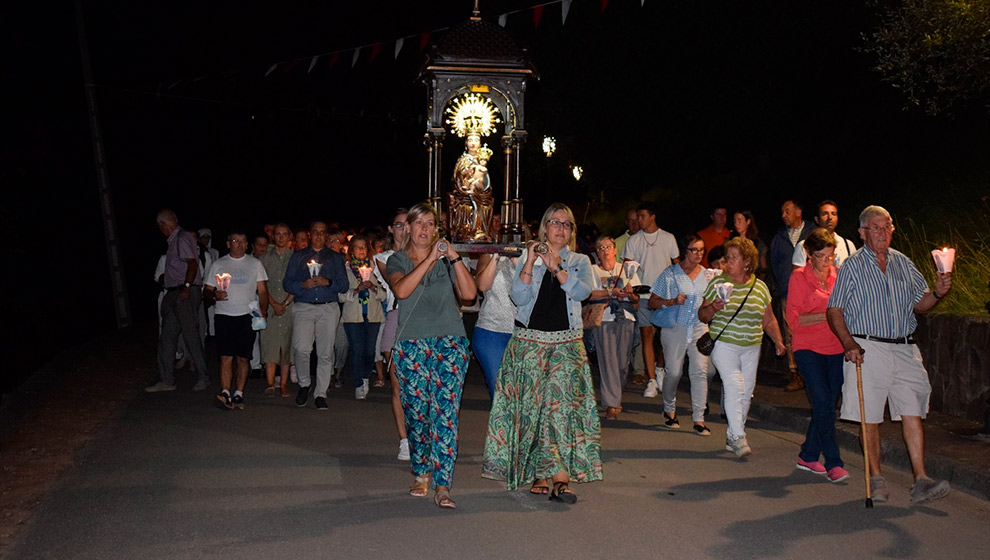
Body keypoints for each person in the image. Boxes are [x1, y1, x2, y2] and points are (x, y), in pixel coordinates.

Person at [826, 205, 953, 504]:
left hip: (905, 347)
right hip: (868, 346)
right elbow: (834, 309)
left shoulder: (903, 263)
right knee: (869, 417)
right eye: (876, 227)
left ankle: (921, 479)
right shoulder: (853, 266)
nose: (883, 232)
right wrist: (848, 343)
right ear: (862, 233)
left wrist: (936, 293)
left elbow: (919, 304)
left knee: (912, 410)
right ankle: (876, 476)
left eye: (887, 226)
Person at [483, 203, 601, 504]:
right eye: (554, 222)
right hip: (529, 344)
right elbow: (517, 297)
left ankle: (560, 478)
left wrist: (557, 268)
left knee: (558, 411)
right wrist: (531, 262)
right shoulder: (529, 256)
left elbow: (582, 294)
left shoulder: (579, 261)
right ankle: (539, 471)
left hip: (565, 346)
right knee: (533, 412)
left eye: (567, 224)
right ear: (544, 228)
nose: (561, 228)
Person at [386, 203, 476, 508]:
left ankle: (442, 484)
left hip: (450, 341)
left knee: (445, 415)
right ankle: (421, 469)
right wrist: (428, 260)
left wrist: (454, 257)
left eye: (430, 224)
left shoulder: (446, 259)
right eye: (419, 223)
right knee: (417, 413)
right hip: (412, 344)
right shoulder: (396, 259)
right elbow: (401, 290)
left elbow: (469, 294)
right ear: (409, 227)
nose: (425, 229)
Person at [698, 237, 786, 457]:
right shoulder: (718, 284)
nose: (729, 262)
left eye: (734, 258)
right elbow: (703, 314)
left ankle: (733, 433)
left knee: (746, 392)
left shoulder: (760, 287)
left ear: (747, 262)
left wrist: (778, 340)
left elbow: (769, 319)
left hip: (751, 346)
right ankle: (738, 436)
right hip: (724, 343)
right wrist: (714, 308)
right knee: (735, 386)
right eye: (728, 258)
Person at [786, 228, 850, 482]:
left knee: (827, 406)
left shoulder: (838, 277)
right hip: (808, 349)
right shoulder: (799, 277)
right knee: (822, 402)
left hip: (836, 348)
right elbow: (795, 319)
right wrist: (830, 315)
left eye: (831, 256)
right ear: (809, 254)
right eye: (822, 256)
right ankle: (834, 462)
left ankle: (808, 454)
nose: (828, 261)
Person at [649, 234, 713, 434]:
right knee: (674, 372)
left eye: (702, 250)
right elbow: (652, 302)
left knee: (700, 372)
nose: (698, 254)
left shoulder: (708, 275)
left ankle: (699, 418)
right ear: (684, 251)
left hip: (699, 326)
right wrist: (671, 301)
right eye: (694, 250)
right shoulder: (671, 274)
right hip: (675, 327)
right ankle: (669, 409)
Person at [283, 221, 348, 411]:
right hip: (304, 306)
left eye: (322, 233)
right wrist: (302, 285)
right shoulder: (298, 256)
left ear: (326, 235)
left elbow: (343, 285)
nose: (319, 236)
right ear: (310, 234)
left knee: (325, 352)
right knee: (302, 348)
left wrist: (328, 282)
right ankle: (304, 384)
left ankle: (321, 393)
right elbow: (287, 282)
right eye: (315, 232)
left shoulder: (335, 258)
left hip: (327, 307)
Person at [204, 231, 269, 410]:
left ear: (247, 245)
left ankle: (239, 393)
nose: (239, 244)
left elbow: (262, 291)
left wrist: (263, 311)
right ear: (228, 244)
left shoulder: (255, 264)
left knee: (243, 358)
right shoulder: (219, 264)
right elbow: (207, 291)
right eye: (235, 241)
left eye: (243, 241)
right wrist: (214, 295)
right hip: (224, 315)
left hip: (246, 315)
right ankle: (225, 391)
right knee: (225, 356)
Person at [148, 209, 210, 393]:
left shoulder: (182, 238)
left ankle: (203, 377)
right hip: (173, 294)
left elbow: (192, 263)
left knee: (191, 336)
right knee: (167, 337)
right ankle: (167, 380)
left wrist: (187, 287)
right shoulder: (174, 240)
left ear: (163, 225)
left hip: (184, 293)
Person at [621, 202, 679, 398]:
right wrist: (633, 293)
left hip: (665, 296)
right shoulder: (634, 241)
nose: (639, 220)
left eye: (642, 216)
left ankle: (660, 368)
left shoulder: (668, 238)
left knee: (664, 338)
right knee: (647, 335)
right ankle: (652, 380)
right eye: (638, 216)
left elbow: (677, 265)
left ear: (652, 216)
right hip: (644, 296)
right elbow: (628, 269)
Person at [588, 236, 639, 420]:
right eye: (600, 248)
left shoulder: (626, 270)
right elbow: (589, 295)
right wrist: (610, 292)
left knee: (622, 364)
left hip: (625, 318)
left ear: (615, 250)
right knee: (607, 361)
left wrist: (630, 294)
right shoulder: (592, 270)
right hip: (604, 319)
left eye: (608, 246)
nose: (605, 250)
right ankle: (612, 403)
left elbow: (636, 301)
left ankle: (614, 394)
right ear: (596, 253)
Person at [375, 208, 411, 460]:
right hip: (397, 316)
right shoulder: (383, 257)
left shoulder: (423, 253)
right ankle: (405, 440)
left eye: (408, 224)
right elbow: (399, 286)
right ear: (391, 229)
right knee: (398, 385)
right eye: (398, 225)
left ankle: (423, 432)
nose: (404, 229)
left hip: (423, 318)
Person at [770, 200, 815, 392]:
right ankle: (795, 373)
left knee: (812, 331)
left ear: (799, 211)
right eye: (782, 212)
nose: (784, 215)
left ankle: (813, 373)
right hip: (789, 292)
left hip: (813, 293)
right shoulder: (779, 238)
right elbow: (774, 263)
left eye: (787, 211)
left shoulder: (813, 233)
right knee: (790, 333)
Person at [340, 234, 386, 400]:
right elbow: (340, 295)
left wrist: (373, 288)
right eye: (357, 247)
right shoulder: (346, 270)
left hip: (372, 315)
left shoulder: (376, 269)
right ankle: (359, 383)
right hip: (353, 317)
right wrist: (356, 290)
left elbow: (385, 294)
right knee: (357, 349)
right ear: (351, 250)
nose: (361, 250)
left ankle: (366, 376)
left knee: (369, 350)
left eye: (364, 247)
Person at [473, 249, 520, 400]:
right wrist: (496, 256)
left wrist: (518, 261)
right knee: (499, 389)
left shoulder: (529, 255)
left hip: (523, 333)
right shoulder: (488, 255)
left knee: (522, 392)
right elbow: (482, 286)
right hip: (491, 331)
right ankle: (502, 423)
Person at [259, 223, 294, 397]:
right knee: (270, 343)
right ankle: (271, 383)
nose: (280, 237)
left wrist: (285, 304)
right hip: (270, 306)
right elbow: (261, 284)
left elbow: (297, 283)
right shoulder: (264, 258)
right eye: (277, 234)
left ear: (289, 237)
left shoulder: (295, 258)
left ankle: (284, 384)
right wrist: (273, 303)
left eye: (284, 234)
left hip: (289, 306)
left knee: (287, 346)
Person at [449, 133, 494, 242]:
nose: (473, 143)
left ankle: (480, 230)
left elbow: (485, 178)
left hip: (481, 194)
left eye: (476, 140)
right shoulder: (463, 160)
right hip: (465, 195)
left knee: (486, 204)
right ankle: (467, 231)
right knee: (468, 205)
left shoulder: (482, 159)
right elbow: (458, 177)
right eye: (470, 140)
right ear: (466, 143)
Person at [792, 200, 857, 269]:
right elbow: (797, 276)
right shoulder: (804, 246)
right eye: (825, 214)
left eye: (833, 214)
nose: (830, 217)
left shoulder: (848, 246)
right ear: (817, 219)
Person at [731, 210, 769, 280]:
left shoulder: (757, 243)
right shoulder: (731, 241)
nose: (736, 224)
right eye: (735, 221)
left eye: (739, 221)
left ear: (748, 221)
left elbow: (764, 267)